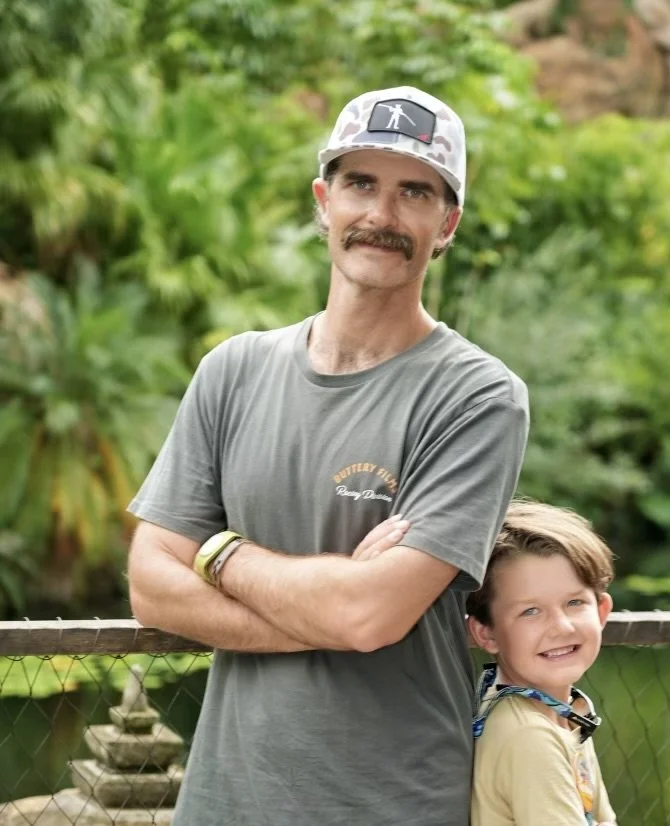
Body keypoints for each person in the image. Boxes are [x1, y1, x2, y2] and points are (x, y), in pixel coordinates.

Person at [127, 85, 529, 826]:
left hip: (390, 805)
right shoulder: (234, 369)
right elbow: (152, 585)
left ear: (448, 224)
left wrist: (217, 554)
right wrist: (335, 609)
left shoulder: (478, 397)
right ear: (324, 201)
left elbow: (371, 616)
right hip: (225, 803)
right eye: (361, 184)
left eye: (414, 191)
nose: (382, 215)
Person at [466, 501, 618, 826]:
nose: (562, 627)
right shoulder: (530, 737)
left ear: (601, 611)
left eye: (574, 602)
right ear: (487, 633)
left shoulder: (564, 712)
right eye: (530, 611)